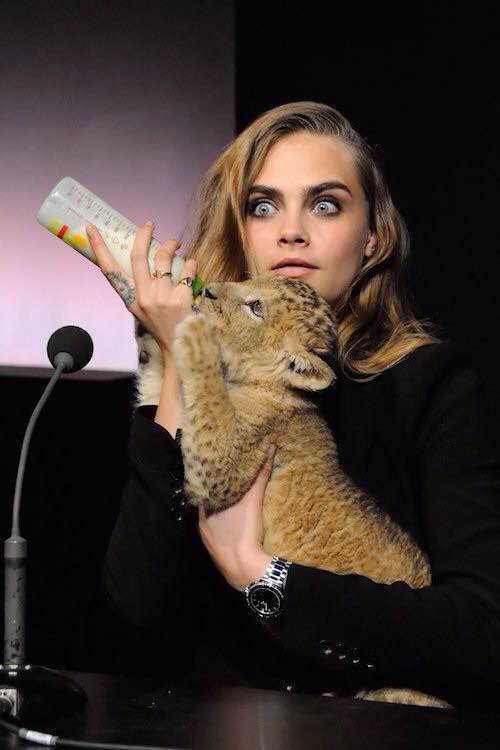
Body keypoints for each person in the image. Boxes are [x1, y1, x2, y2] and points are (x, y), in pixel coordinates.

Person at [82, 101, 500, 710]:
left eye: (325, 204)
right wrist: (180, 357)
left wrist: (260, 575)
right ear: (241, 230)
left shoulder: (430, 383)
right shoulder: (208, 376)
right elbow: (133, 619)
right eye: (263, 206)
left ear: (373, 237)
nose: (291, 231)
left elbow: (483, 633)